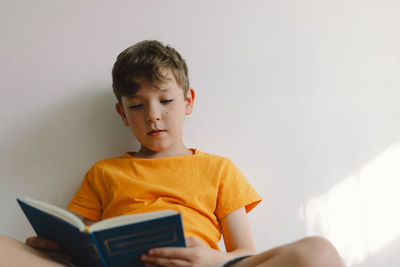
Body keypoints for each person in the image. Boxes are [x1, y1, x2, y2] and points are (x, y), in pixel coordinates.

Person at [0, 40, 345, 267]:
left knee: (318, 252)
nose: (153, 114)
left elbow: (246, 253)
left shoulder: (218, 168)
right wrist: (62, 252)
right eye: (137, 105)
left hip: (201, 266)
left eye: (165, 101)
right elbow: (86, 243)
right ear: (122, 114)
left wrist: (211, 259)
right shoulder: (104, 172)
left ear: (188, 102)